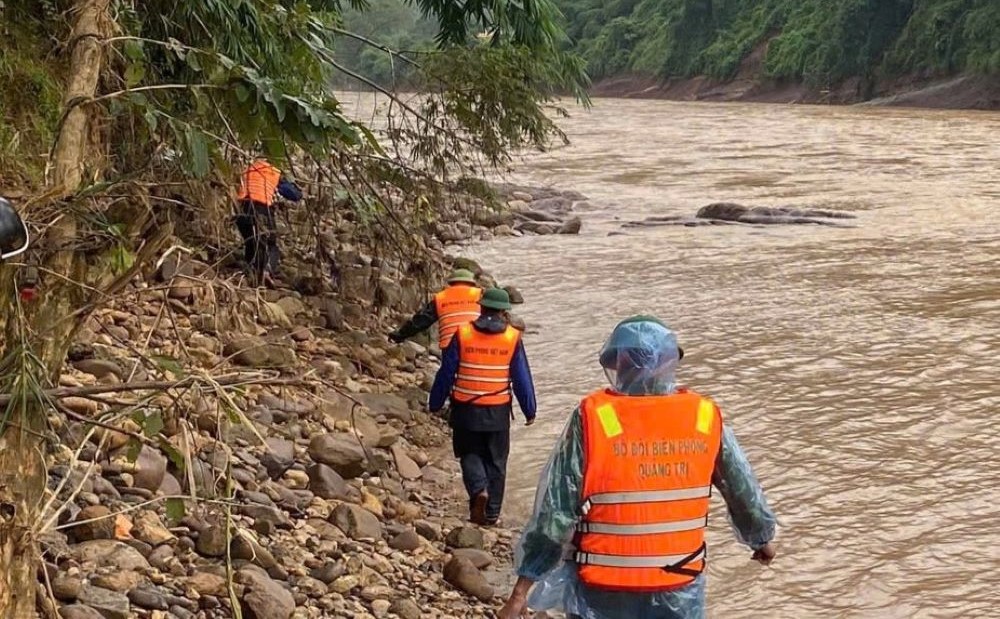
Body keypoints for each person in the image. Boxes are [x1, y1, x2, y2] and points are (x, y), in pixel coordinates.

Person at [499, 316, 777, 619]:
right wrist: (761, 539)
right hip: (677, 587)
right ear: (669, 363)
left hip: (603, 588)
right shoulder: (703, 417)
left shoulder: (594, 417)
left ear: (618, 365)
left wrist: (521, 589)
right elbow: (740, 488)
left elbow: (556, 509)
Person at [429, 288, 536, 525]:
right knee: (497, 462)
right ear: (504, 312)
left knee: (469, 453)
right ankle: (492, 514)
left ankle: (479, 490)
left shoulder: (463, 333)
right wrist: (530, 410)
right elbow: (521, 378)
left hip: (466, 409)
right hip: (498, 412)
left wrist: (435, 402)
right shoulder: (512, 338)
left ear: (481, 306)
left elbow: (447, 372)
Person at [233, 158, 302, 286]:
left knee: (251, 242)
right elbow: (294, 195)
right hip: (261, 210)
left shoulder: (249, 168)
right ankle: (266, 271)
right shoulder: (273, 171)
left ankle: (250, 271)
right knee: (270, 245)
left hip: (242, 211)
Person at [389, 269, 483, 349]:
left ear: (451, 283)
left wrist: (400, 334)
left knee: (447, 370)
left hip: (449, 343)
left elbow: (422, 320)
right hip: (475, 342)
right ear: (472, 283)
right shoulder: (480, 295)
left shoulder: (441, 297)